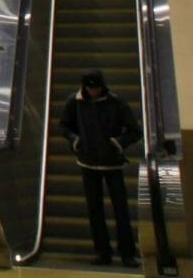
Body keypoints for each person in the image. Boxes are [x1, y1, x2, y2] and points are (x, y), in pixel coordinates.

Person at [60, 68, 141, 266]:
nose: (93, 92)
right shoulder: (75, 102)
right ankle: (102, 252)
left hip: (112, 163)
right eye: (89, 88)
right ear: (84, 87)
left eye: (96, 88)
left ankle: (127, 253)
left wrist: (117, 143)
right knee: (95, 210)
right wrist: (75, 141)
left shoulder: (116, 102)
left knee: (121, 210)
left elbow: (134, 130)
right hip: (88, 162)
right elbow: (64, 126)